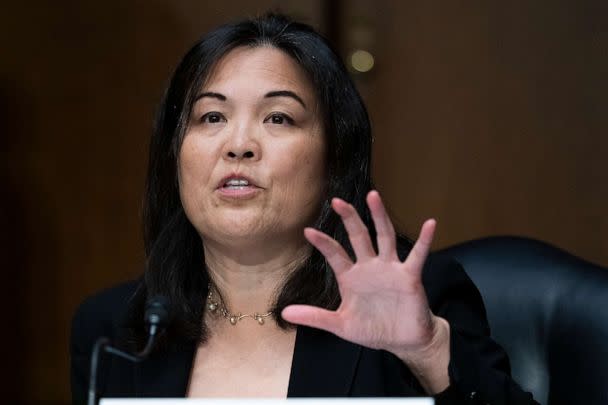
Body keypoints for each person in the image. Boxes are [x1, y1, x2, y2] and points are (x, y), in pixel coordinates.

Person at [70, 13, 538, 405]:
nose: (239, 145)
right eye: (211, 117)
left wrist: (431, 354)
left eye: (278, 118)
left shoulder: (421, 299)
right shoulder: (117, 330)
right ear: (175, 154)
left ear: (333, 157)